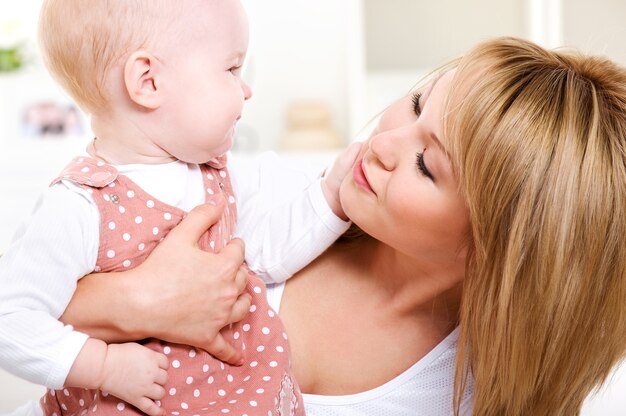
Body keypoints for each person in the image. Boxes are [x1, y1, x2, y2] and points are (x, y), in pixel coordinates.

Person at [51, 36, 626, 415]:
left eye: (428, 164)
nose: (382, 142)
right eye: (418, 104)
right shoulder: (266, 198)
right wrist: (133, 300)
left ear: (497, 251)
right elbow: (22, 299)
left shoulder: (466, 399)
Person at [0, 1, 359, 415]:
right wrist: (102, 366)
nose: (246, 89)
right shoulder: (80, 204)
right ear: (148, 82)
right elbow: (9, 316)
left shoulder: (216, 177)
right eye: (231, 69)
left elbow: (265, 255)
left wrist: (330, 198)